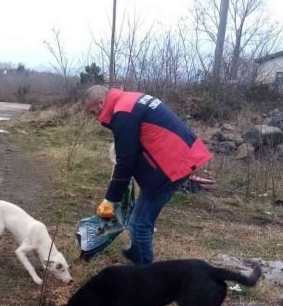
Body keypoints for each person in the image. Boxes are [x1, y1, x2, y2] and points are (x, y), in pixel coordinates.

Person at [82, 85, 213, 265]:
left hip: (169, 168)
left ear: (102, 102)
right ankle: (137, 254)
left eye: (93, 112)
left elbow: (126, 163)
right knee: (142, 216)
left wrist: (110, 200)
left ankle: (145, 277)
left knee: (139, 224)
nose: (95, 118)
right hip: (176, 159)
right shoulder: (128, 100)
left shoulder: (123, 112)